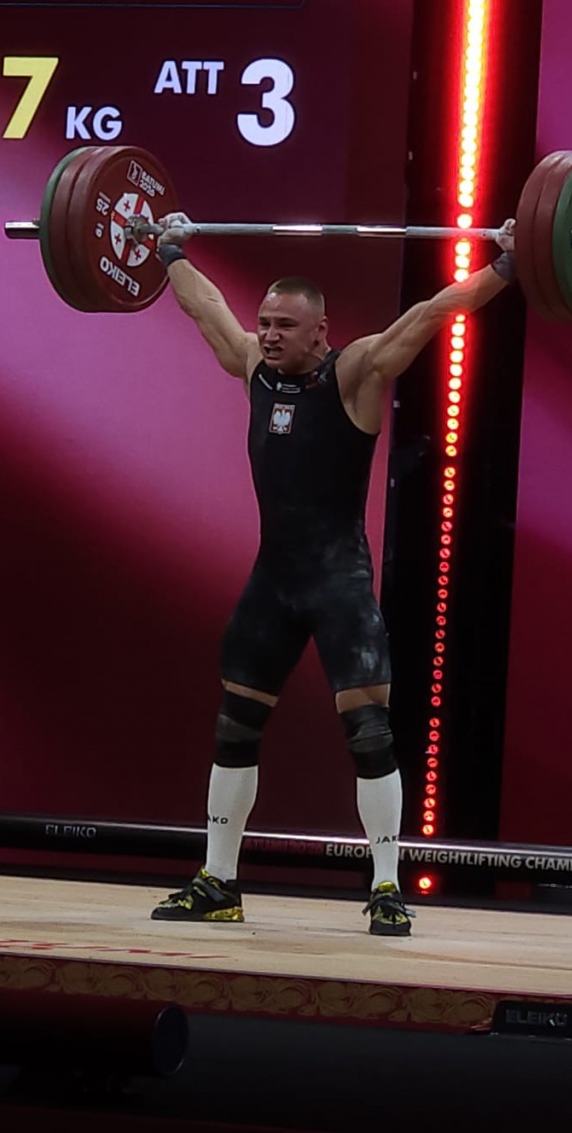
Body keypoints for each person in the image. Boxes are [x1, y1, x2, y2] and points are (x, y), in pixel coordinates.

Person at [150, 213, 516, 935]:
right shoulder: (254, 366)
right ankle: (218, 882)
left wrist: (506, 266)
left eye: (285, 325)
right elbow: (204, 307)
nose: (269, 334)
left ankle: (386, 887)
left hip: (338, 583)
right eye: (266, 322)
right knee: (235, 726)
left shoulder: (355, 373)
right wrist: (167, 250)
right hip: (274, 582)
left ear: (320, 331)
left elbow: (432, 313)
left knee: (370, 733)